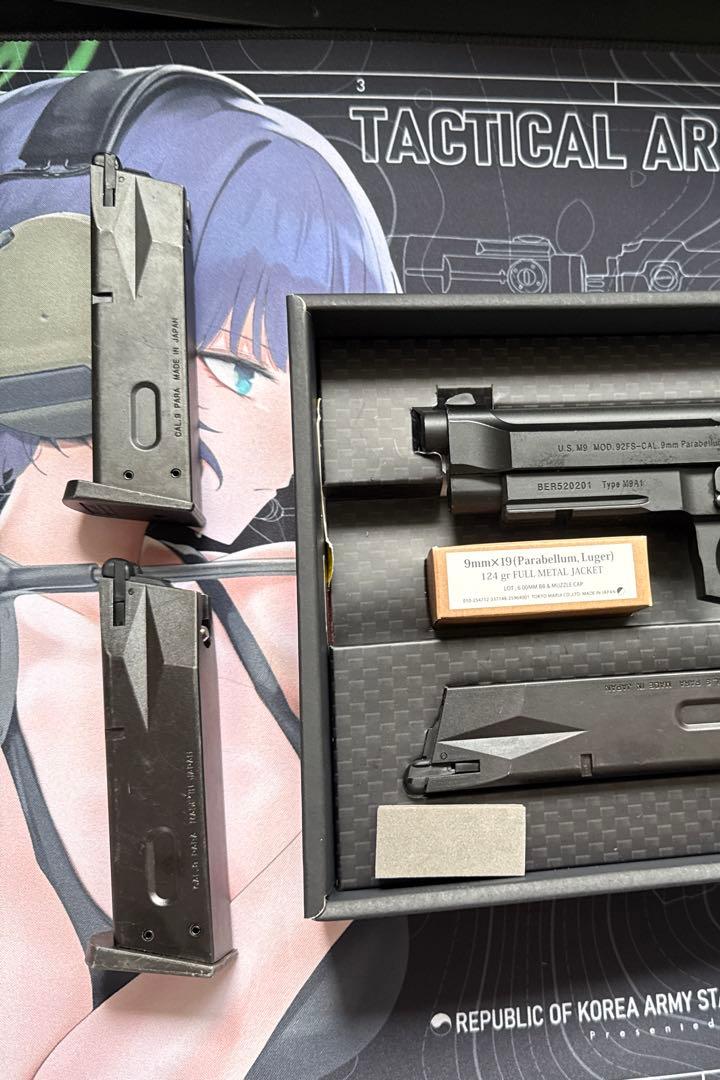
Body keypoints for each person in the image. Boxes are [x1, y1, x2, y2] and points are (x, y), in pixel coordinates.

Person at [0, 66, 407, 1078]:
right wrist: (353, 849)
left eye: (276, 373)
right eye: (224, 363)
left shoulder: (274, 609)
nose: (278, 433)